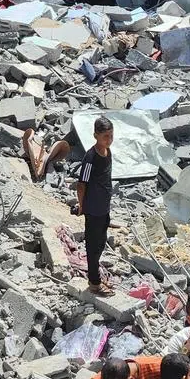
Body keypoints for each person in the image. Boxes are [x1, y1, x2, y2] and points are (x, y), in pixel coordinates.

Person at [76, 116, 114, 296]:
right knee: (92, 246)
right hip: (93, 209)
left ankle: (96, 276)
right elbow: (81, 184)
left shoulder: (108, 152)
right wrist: (82, 206)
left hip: (104, 207)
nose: (109, 140)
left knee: (100, 244)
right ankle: (94, 283)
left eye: (111, 136)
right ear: (95, 135)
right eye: (105, 136)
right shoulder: (90, 158)